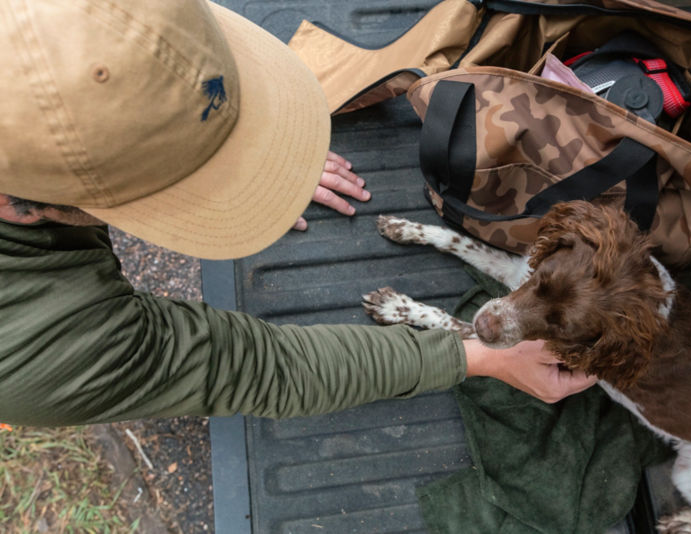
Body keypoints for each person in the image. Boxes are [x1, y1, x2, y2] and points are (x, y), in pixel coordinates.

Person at [0, 0, 595, 426]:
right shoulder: (33, 349)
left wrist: (261, 152)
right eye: (185, 186)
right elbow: (259, 367)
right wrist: (479, 356)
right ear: (18, 207)